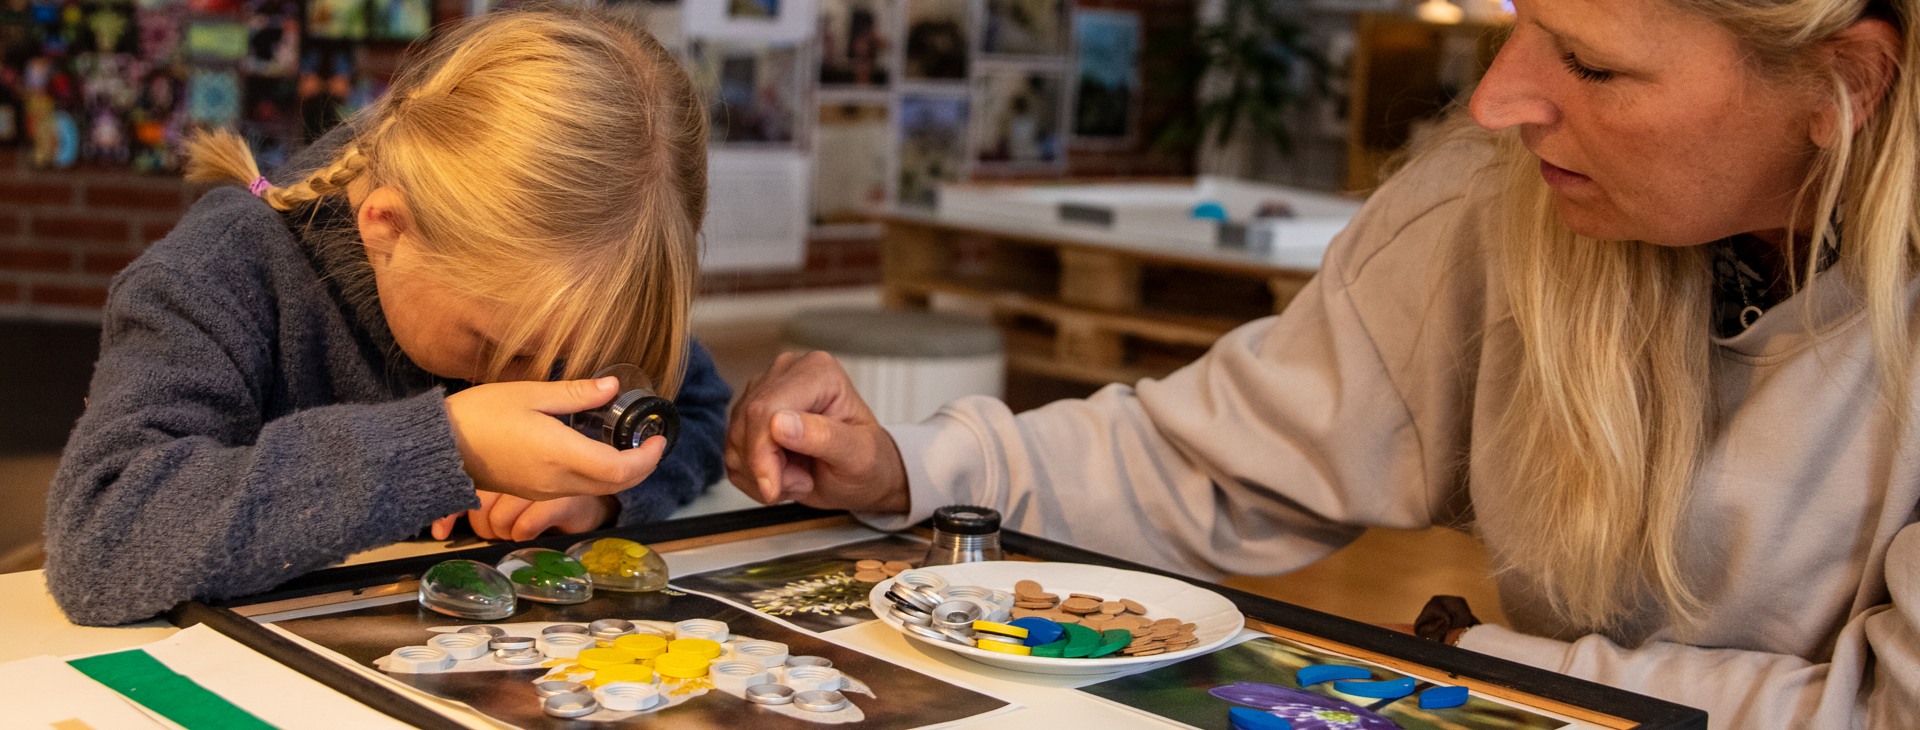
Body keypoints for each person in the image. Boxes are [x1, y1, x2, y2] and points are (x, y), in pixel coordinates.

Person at [726, 0, 1919, 725]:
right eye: (1518, 24)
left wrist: (1472, 667)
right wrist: (912, 464)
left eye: (1594, 65)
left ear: (1842, 85)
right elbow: (1225, 463)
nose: (1500, 100)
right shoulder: (1492, 205)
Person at [45, 4, 728, 626]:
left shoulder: (568, 292)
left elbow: (695, 411)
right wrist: (445, 447)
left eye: (570, 360)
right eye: (499, 348)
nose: (541, 378)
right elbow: (101, 535)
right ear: (387, 229)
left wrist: (607, 496)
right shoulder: (216, 277)